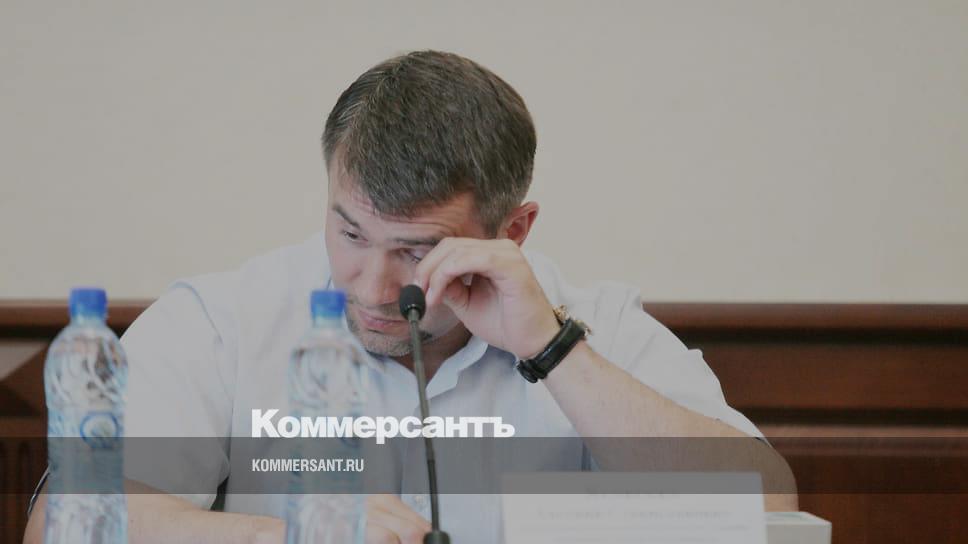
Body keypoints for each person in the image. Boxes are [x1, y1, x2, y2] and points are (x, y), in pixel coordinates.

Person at [24, 50, 797, 544]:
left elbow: (768, 510)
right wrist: (288, 536)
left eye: (416, 251)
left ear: (513, 230)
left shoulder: (592, 325)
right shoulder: (222, 320)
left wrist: (553, 350)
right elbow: (62, 522)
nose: (370, 287)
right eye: (350, 232)